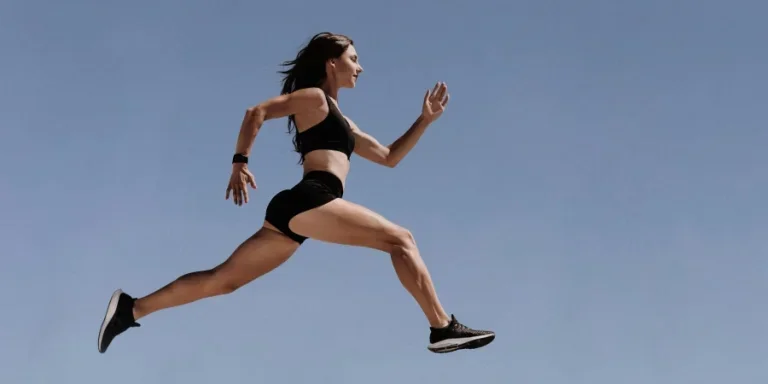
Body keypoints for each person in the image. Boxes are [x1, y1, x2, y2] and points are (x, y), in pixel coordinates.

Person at [97, 32, 495, 355]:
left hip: (299, 211)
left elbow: (390, 157)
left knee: (222, 281)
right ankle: (442, 328)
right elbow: (257, 112)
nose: (360, 66)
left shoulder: (343, 121)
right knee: (401, 239)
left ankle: (131, 308)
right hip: (312, 198)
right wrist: (240, 161)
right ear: (331, 63)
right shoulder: (313, 97)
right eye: (353, 58)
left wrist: (423, 121)